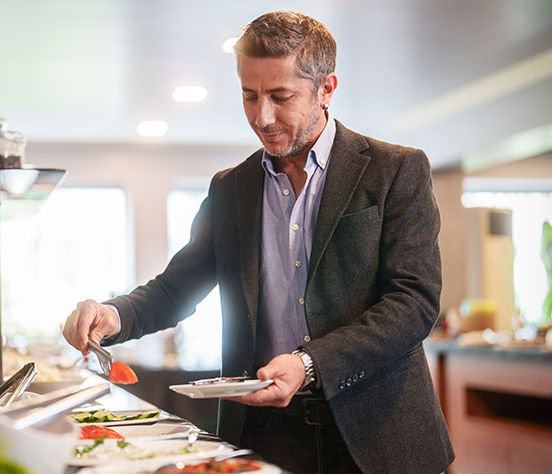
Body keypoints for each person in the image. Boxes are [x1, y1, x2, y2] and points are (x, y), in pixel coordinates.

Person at [63, 10, 454, 473]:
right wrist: (113, 314)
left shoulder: (395, 171)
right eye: (249, 96)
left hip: (378, 435)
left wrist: (310, 364)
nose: (262, 116)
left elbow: (413, 303)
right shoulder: (230, 189)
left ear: (326, 88)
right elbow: (176, 288)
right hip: (265, 432)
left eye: (280, 96)